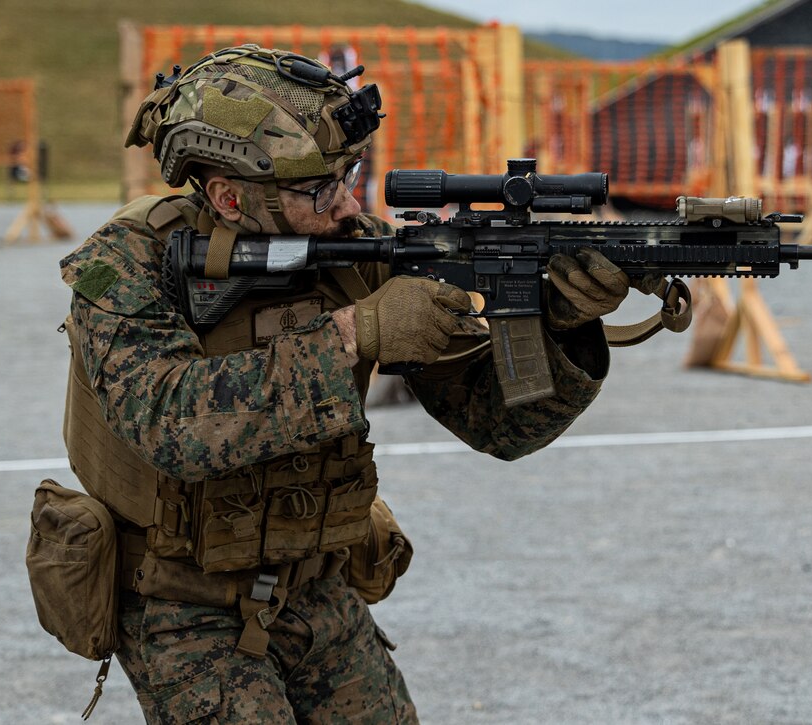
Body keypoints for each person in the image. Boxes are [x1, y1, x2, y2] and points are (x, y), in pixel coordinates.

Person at [58, 45, 635, 723]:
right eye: (319, 189)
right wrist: (352, 337)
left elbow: (497, 423)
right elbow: (171, 422)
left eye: (350, 175)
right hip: (178, 598)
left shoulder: (362, 249)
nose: (347, 204)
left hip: (315, 584)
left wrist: (558, 322)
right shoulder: (125, 264)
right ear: (228, 195)